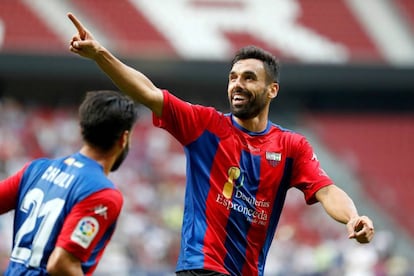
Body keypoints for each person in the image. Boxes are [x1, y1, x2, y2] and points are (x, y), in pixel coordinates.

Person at [67, 12, 375, 276]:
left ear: (272, 90)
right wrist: (100, 55)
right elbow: (148, 92)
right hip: (201, 267)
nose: (237, 84)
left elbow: (326, 190)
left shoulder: (290, 145)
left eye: (249, 78)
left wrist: (353, 217)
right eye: (233, 77)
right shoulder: (205, 125)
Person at [0, 90, 138, 275]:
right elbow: (61, 263)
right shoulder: (102, 193)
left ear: (82, 129)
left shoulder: (37, 169)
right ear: (124, 138)